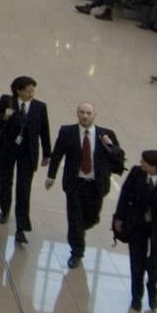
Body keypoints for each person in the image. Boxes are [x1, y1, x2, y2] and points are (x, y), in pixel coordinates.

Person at [45, 102, 124, 269]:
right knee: (75, 219)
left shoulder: (106, 134)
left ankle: (82, 227)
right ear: (77, 114)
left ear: (95, 115)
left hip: (96, 185)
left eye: (88, 113)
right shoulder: (67, 132)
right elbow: (58, 153)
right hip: (75, 183)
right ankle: (77, 252)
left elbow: (119, 156)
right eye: (82, 112)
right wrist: (51, 175)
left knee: (91, 217)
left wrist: (109, 145)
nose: (85, 116)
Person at [111, 150, 157, 312]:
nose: (141, 163)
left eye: (144, 161)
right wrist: (119, 217)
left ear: (155, 166)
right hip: (137, 225)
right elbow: (125, 195)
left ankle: (152, 287)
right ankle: (136, 297)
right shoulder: (136, 173)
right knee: (136, 263)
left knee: (156, 265)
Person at [0, 76, 50, 245]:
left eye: (33, 91)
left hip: (27, 152)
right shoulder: (6, 101)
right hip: (8, 149)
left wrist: (47, 153)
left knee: (24, 188)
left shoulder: (40, 107)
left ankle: (21, 227)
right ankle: (5, 209)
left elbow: (44, 130)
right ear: (18, 90)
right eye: (28, 91)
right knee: (6, 180)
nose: (31, 94)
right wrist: (4, 116)